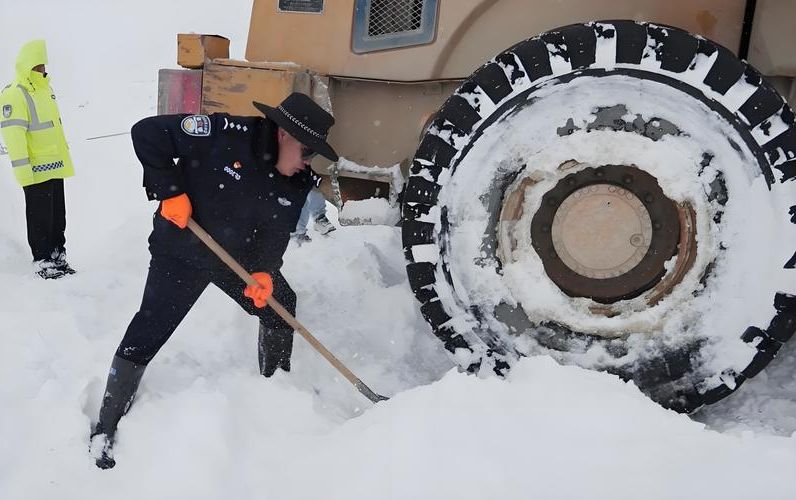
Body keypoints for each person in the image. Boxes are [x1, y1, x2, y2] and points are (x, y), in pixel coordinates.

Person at [90, 93, 338, 469]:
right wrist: (170, 191)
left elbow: (277, 230)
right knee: (150, 329)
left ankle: (275, 389)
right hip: (183, 249)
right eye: (307, 151)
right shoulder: (224, 133)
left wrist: (265, 272)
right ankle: (105, 426)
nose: (308, 161)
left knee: (281, 306)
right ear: (286, 135)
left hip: (234, 260)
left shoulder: (296, 180)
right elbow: (147, 133)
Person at [0, 40, 76, 279]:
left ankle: (57, 255)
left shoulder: (45, 90)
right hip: (34, 168)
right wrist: (23, 172)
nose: (42, 69)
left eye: (43, 64)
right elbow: (14, 136)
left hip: (54, 166)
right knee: (39, 218)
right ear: (26, 65)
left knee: (57, 216)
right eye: (37, 65)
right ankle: (43, 260)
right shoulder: (15, 93)